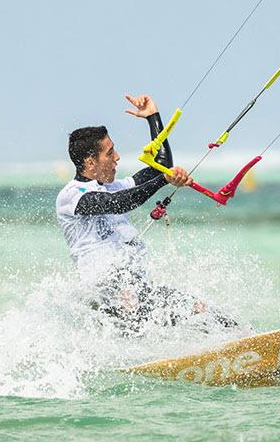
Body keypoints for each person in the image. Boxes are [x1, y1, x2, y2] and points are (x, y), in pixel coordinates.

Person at [56, 94, 238, 334]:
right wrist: (164, 179)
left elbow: (160, 164)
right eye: (110, 153)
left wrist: (153, 118)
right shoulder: (71, 196)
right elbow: (118, 203)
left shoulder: (115, 185)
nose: (117, 157)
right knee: (132, 301)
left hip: (136, 289)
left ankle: (248, 343)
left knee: (199, 309)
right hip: (105, 296)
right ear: (90, 162)